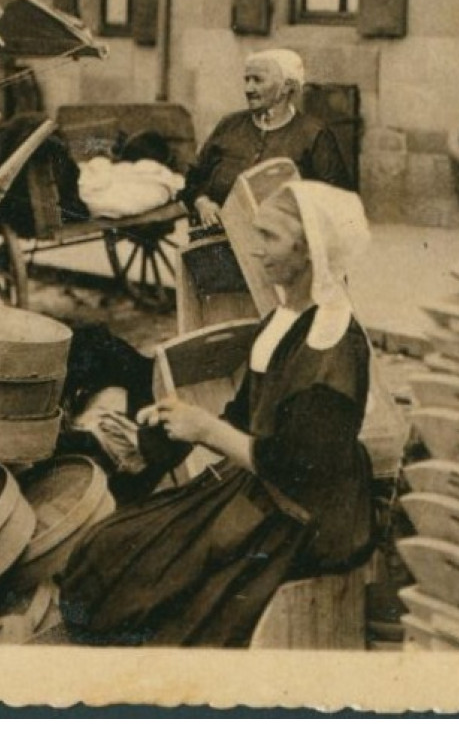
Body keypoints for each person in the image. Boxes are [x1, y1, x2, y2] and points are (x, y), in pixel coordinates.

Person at [59, 182, 376, 647]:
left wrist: (206, 429)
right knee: (109, 545)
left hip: (308, 518)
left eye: (268, 236)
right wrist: (170, 429)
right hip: (260, 490)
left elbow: (300, 471)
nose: (253, 248)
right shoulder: (282, 322)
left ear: (308, 250)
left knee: (158, 597)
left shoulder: (335, 345)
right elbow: (241, 414)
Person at [180, 49, 352, 226]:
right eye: (247, 80)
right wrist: (202, 203)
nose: (248, 89)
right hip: (219, 241)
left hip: (285, 247)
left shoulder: (313, 134)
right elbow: (194, 179)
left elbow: (337, 200)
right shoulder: (229, 126)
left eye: (258, 80)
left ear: (286, 86)